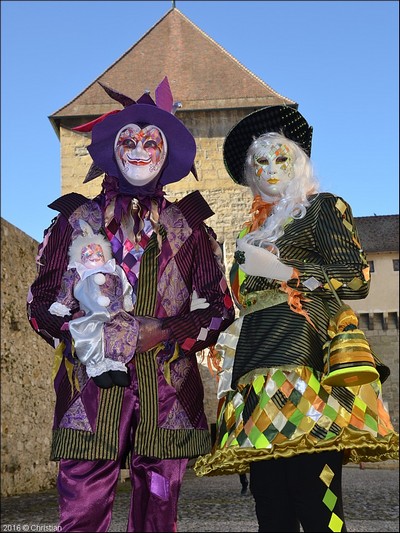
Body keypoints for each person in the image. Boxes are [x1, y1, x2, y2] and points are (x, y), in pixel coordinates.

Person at [27, 76, 235, 532]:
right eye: (129, 139)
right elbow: (40, 303)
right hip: (89, 390)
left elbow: (219, 308)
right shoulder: (74, 220)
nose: (139, 149)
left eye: (151, 141)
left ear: (167, 153)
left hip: (166, 391)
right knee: (81, 512)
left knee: (159, 512)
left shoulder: (190, 228)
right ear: (112, 149)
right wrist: (88, 336)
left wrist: (164, 332)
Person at [194, 106, 399, 533]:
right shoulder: (249, 236)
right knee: (269, 504)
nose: (270, 168)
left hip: (306, 368)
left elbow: (356, 278)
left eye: (280, 157)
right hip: (254, 373)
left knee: (317, 497)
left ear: (299, 161)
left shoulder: (321, 208)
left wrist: (287, 273)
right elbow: (246, 301)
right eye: (260, 161)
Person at [49, 221, 136, 388]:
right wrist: (62, 306)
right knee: (90, 335)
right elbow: (67, 291)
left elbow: (125, 286)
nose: (95, 258)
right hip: (90, 314)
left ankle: (116, 365)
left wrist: (127, 300)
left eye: (99, 255)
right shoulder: (77, 275)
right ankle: (97, 367)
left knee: (121, 332)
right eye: (89, 256)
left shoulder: (114, 270)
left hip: (116, 313)